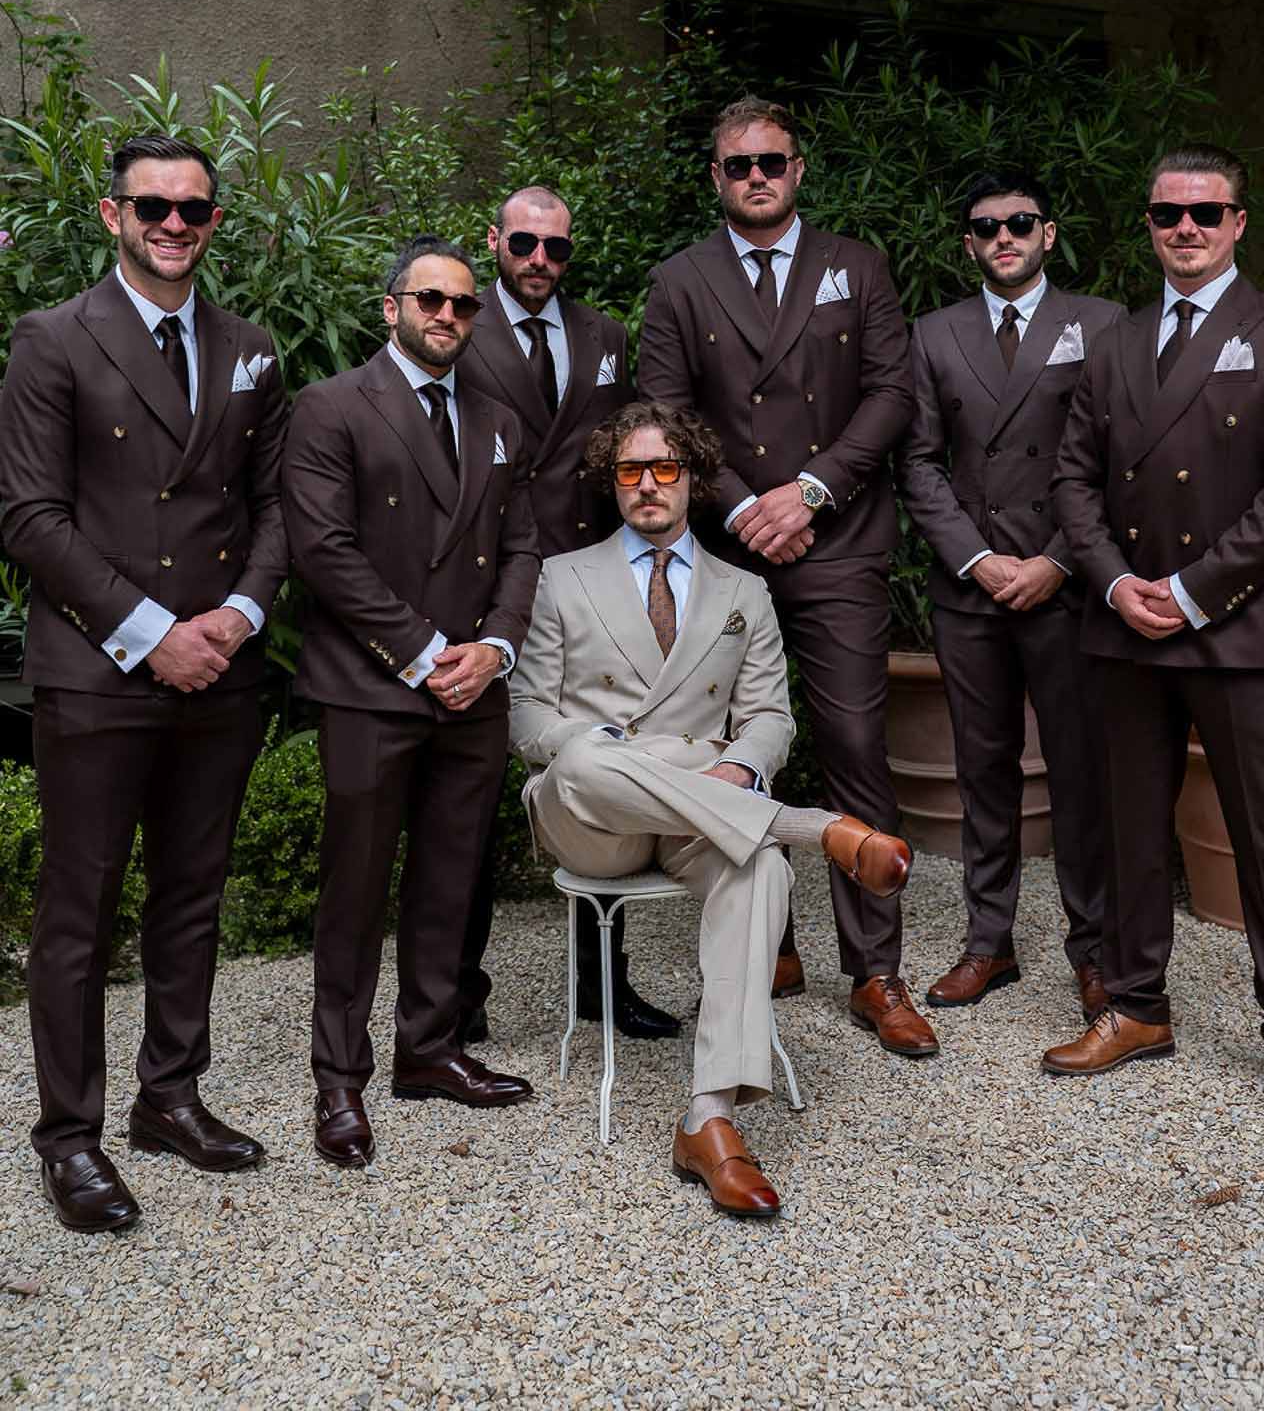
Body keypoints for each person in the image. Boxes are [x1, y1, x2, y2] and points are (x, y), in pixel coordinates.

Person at [510, 401, 912, 1218]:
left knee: (757, 862)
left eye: (666, 469)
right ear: (611, 482)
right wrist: (639, 754)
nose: (649, 485)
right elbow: (528, 722)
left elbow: (768, 716)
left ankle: (709, 1118)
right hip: (593, 821)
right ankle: (811, 825)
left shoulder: (744, 589)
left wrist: (736, 764)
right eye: (631, 471)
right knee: (586, 755)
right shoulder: (562, 576)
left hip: (704, 815)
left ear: (692, 478)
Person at [0, 133, 288, 1234]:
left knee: (191, 893)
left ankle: (169, 1096)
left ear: (216, 222)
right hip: (98, 668)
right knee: (79, 913)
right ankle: (67, 1138)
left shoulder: (252, 346)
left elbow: (273, 508)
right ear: (112, 214)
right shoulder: (53, 339)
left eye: (194, 210)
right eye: (154, 208)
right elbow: (28, 515)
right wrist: (149, 629)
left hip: (218, 667)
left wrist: (239, 614)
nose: (175, 226)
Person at [637, 96, 933, 1059]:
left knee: (851, 738)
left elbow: (893, 392)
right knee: (730, 748)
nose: (755, 175)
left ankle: (875, 972)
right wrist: (742, 509)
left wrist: (807, 492)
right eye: (736, 165)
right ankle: (768, 944)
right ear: (713, 177)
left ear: (798, 170)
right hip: (724, 546)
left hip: (837, 537)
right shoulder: (679, 281)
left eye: (771, 161)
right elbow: (665, 415)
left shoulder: (859, 266)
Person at [1046, 145, 1264, 1132]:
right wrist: (1118, 579)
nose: (1186, 229)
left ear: (1239, 222)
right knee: (1131, 827)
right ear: (1148, 223)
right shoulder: (1112, 341)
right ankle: (1135, 1006)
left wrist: (1192, 585)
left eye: (1206, 213)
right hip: (1125, 626)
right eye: (1168, 213)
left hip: (1236, 625)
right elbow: (1071, 479)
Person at [282, 235, 541, 1169]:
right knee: (354, 889)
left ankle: (429, 1050)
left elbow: (521, 546)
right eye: (429, 300)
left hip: (473, 686)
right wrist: (428, 651)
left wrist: (496, 647)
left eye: (464, 305)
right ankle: (339, 1079)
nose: (447, 316)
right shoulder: (329, 406)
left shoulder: (501, 415)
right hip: (372, 686)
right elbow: (324, 553)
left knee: (449, 879)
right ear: (389, 308)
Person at [455, 185, 678, 1044]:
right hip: (488, 588)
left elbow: (625, 457)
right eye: (523, 244)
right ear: (495, 243)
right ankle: (454, 999)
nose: (539, 262)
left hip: (589, 593)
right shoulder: (455, 325)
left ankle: (600, 983)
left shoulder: (604, 336)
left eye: (556, 249)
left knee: (601, 791)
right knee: (470, 801)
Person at [899, 168, 1122, 1018]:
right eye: (986, 227)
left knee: (1078, 770)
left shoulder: (1100, 324)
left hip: (1064, 586)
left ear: (1048, 234)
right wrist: (976, 559)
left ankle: (1093, 950)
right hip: (972, 588)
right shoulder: (933, 333)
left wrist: (1059, 560)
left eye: (1019, 223)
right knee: (980, 769)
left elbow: (1115, 458)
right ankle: (987, 944)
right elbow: (916, 462)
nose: (1004, 238)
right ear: (968, 243)